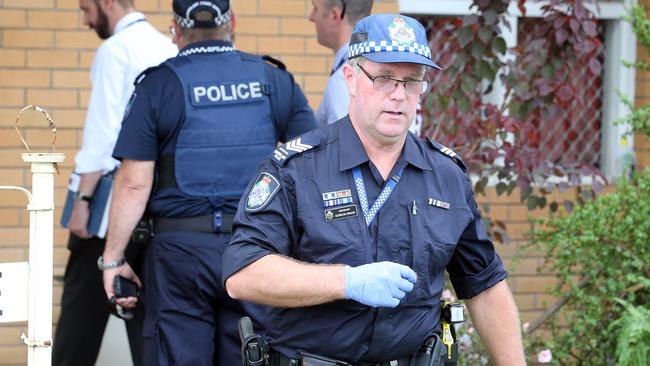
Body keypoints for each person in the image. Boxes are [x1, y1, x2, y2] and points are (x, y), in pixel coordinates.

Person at [223, 13, 526, 366]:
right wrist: (346, 281)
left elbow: (484, 286)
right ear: (350, 78)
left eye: (412, 81)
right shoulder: (296, 169)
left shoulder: (445, 175)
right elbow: (243, 275)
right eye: (384, 78)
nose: (399, 95)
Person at [99, 0, 318, 365]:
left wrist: (113, 260)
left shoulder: (158, 85)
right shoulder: (274, 80)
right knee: (253, 354)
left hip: (178, 257)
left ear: (175, 28)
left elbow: (134, 184)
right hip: (256, 251)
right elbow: (312, 165)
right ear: (231, 21)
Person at [53, 1, 177, 365]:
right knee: (144, 319)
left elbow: (103, 135)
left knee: (80, 318)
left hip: (110, 203)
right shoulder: (167, 47)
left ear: (107, 2)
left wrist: (83, 200)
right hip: (156, 204)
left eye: (86, 8)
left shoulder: (115, 50)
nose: (86, 19)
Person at [309, 0, 373, 125]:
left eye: (315, 9)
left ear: (334, 16)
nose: (311, 17)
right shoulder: (377, 65)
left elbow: (347, 142)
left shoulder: (346, 78)